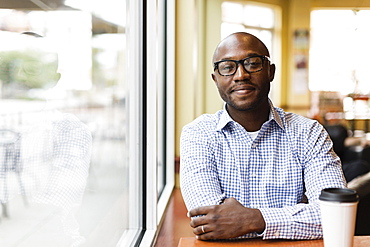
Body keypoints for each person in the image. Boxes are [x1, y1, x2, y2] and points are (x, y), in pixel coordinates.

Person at [180, 32, 347, 241]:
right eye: (227, 67)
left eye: (252, 63)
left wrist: (254, 219)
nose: (241, 75)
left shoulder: (309, 133)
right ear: (216, 79)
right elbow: (209, 222)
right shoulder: (198, 134)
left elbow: (336, 215)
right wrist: (296, 220)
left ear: (270, 71)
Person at [0, 32, 92, 247]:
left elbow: (61, 202)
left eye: (30, 68)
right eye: (14, 67)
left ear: (55, 78)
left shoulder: (70, 129)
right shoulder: (31, 124)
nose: (20, 74)